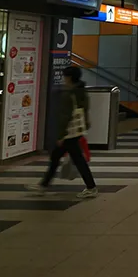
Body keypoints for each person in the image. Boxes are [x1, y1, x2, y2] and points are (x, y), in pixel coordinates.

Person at [27, 66, 97, 199]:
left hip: (69, 132)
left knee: (74, 159)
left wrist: (60, 135)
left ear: (69, 77)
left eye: (65, 76)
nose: (64, 79)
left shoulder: (68, 94)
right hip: (77, 129)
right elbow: (85, 109)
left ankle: (91, 187)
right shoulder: (81, 91)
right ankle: (43, 185)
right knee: (58, 157)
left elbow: (65, 116)